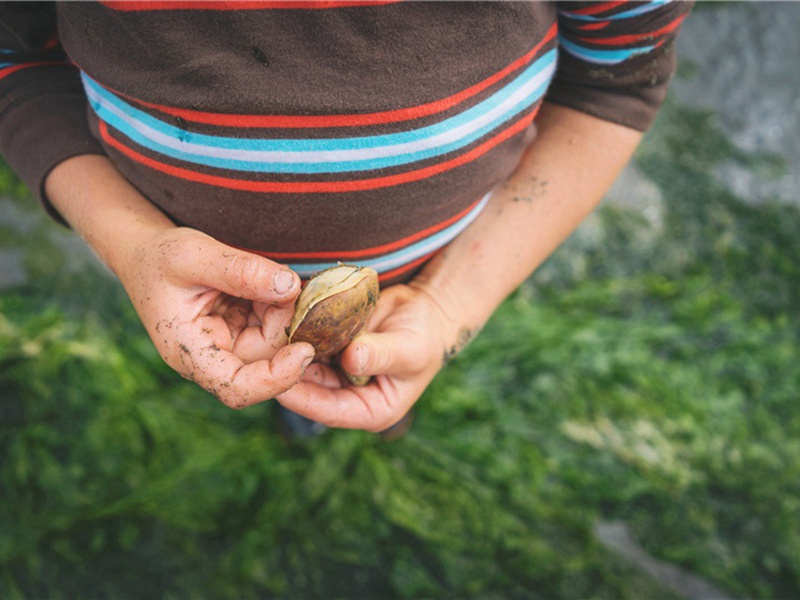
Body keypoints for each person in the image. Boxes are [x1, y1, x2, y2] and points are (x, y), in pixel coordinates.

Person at [0, 0, 693, 434]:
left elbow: (619, 79)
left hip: (438, 264)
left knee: (372, 362)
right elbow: (15, 60)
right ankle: (304, 408)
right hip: (176, 275)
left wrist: (452, 304)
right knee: (263, 369)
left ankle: (348, 400)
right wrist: (131, 245)